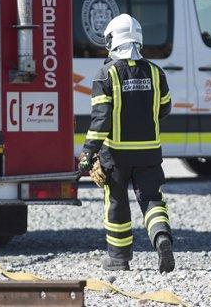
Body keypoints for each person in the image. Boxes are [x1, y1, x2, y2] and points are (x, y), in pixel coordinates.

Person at [77, 14, 174, 273]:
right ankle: (161, 236)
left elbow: (101, 120)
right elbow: (164, 109)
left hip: (117, 156)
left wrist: (88, 153)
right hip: (150, 153)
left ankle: (119, 259)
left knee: (117, 202)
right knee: (152, 199)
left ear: (111, 40)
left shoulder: (105, 74)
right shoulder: (156, 72)